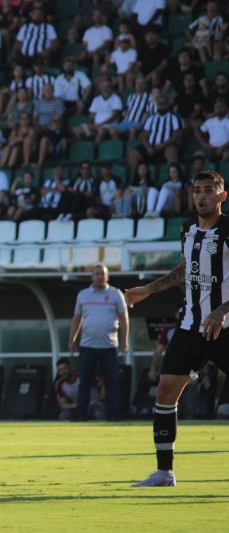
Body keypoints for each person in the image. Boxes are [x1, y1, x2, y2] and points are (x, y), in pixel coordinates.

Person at [125, 170, 229, 487]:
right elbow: (184, 270)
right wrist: (148, 290)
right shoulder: (187, 229)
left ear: (221, 196)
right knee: (166, 390)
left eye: (208, 189)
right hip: (189, 327)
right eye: (197, 190)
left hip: (224, 327)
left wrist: (222, 310)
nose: (201, 195)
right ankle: (164, 472)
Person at [68, 264, 128, 422]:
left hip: (109, 346)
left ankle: (113, 413)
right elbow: (76, 319)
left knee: (112, 381)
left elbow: (124, 320)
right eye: (97, 274)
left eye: (102, 274)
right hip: (87, 346)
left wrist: (124, 341)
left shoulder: (116, 294)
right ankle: (81, 414)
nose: (100, 276)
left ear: (107, 276)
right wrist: (72, 340)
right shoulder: (83, 295)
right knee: (84, 381)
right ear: (92, 276)